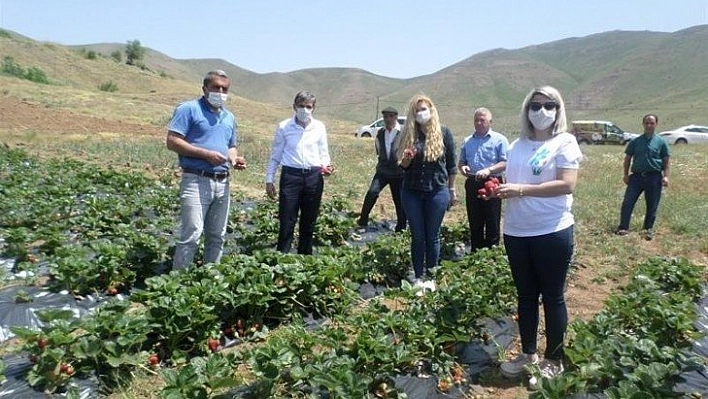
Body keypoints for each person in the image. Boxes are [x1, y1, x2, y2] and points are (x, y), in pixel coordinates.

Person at [495, 86, 582, 384]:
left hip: (551, 230)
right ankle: (529, 354)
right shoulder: (517, 145)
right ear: (526, 109)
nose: (541, 111)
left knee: (553, 296)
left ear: (558, 110)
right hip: (517, 231)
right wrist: (499, 190)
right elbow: (513, 181)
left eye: (549, 105)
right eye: (535, 105)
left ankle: (553, 359)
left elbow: (567, 184)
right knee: (526, 295)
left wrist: (521, 190)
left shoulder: (565, 142)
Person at [166, 69, 246, 270]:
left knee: (217, 234)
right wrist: (205, 154)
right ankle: (179, 281)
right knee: (192, 232)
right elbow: (173, 141)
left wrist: (234, 159)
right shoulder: (189, 109)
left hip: (223, 180)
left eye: (224, 88)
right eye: (216, 87)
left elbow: (231, 146)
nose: (220, 92)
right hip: (196, 179)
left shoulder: (229, 117)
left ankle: (210, 280)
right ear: (204, 88)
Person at [397, 94, 457, 293]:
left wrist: (452, 190)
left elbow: (451, 166)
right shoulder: (408, 134)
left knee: (433, 236)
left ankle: (431, 277)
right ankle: (417, 277)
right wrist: (406, 159)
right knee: (418, 235)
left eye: (424, 109)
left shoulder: (444, 133)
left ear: (431, 110)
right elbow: (402, 167)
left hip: (437, 192)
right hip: (412, 192)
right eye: (417, 110)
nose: (421, 113)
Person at [265, 91, 333, 255]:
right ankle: (282, 257)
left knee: (309, 220)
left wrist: (326, 166)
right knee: (287, 219)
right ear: (294, 106)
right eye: (301, 106)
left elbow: (323, 153)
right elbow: (276, 155)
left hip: (313, 177)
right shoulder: (284, 127)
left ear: (313, 108)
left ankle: (305, 258)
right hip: (291, 177)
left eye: (308, 106)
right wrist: (269, 179)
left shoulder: (319, 127)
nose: (304, 109)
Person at [458, 107, 509, 252]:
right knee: (475, 220)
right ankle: (476, 254)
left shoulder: (500, 140)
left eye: (482, 120)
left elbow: (505, 162)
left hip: (492, 182)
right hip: (473, 182)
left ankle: (491, 256)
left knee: (492, 220)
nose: (479, 123)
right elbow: (461, 162)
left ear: (490, 122)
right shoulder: (467, 141)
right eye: (476, 120)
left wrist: (489, 170)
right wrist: (463, 168)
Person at [615, 114, 670, 241]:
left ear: (656, 124)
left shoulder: (661, 142)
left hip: (654, 177)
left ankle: (647, 230)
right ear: (643, 124)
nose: (649, 125)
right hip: (636, 178)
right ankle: (623, 228)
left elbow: (666, 161)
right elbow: (627, 158)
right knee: (628, 202)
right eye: (647, 123)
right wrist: (625, 174)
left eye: (652, 123)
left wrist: (666, 176)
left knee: (652, 205)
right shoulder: (635, 141)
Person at [356, 106, 407, 232]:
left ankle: (401, 227)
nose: (388, 119)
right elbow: (378, 150)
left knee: (399, 200)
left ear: (396, 117)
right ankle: (363, 220)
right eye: (385, 117)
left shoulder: (404, 133)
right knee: (372, 192)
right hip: (383, 171)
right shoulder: (380, 133)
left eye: (391, 116)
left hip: (398, 172)